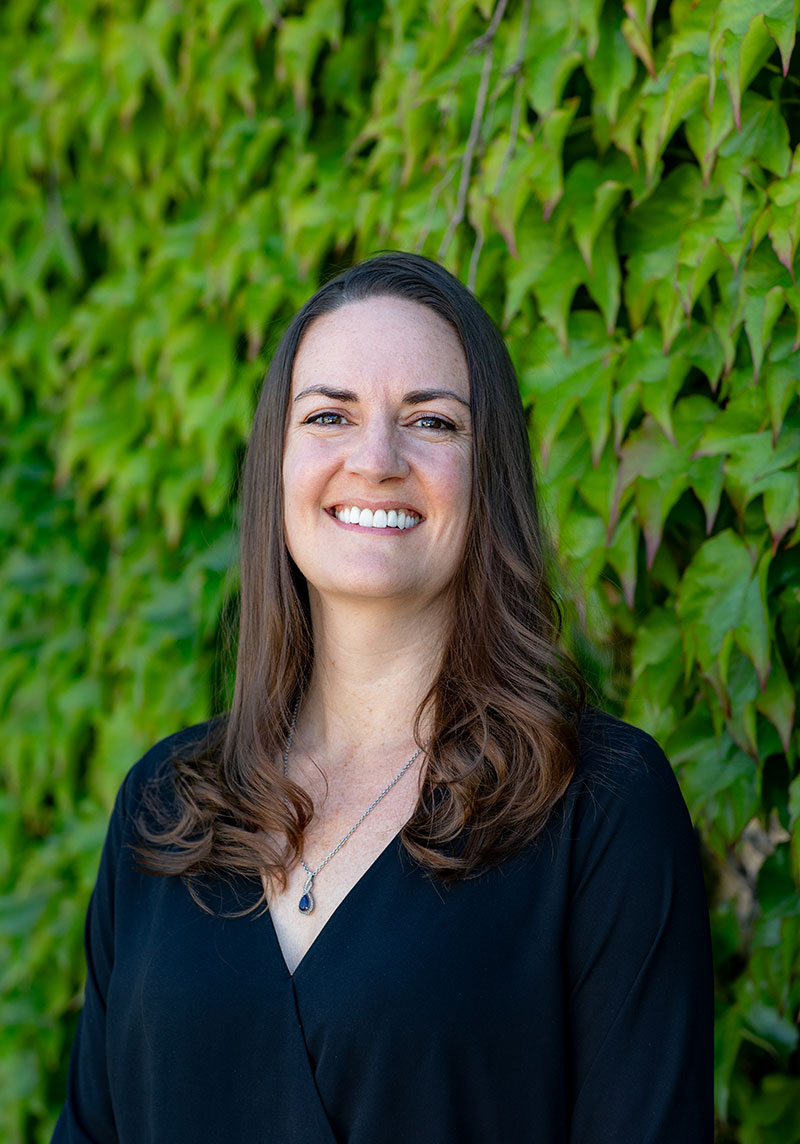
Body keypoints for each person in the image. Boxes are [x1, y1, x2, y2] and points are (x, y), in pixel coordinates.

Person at [53, 252, 713, 1143]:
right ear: (275, 466)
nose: (376, 460)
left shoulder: (599, 807)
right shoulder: (163, 805)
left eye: (431, 421)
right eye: (329, 415)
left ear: (489, 475)